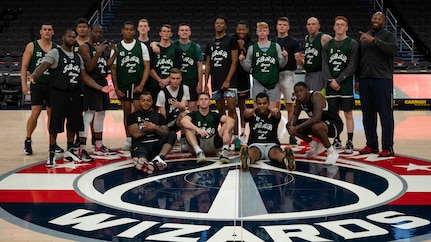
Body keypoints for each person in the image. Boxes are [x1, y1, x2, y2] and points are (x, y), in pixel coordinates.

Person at [27, 29, 111, 167]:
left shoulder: (78, 57)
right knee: (55, 125)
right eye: (69, 36)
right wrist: (34, 76)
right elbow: (43, 66)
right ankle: (52, 153)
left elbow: (84, 77)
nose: (72, 39)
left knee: (73, 124)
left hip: (75, 94)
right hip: (59, 94)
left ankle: (70, 150)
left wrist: (100, 88)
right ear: (63, 37)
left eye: (73, 37)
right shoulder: (56, 52)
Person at [356, 11, 397, 157]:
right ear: (371, 19)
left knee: (385, 115)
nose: (376, 20)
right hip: (365, 80)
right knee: (367, 115)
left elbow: (392, 49)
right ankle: (371, 144)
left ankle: (388, 147)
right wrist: (358, 79)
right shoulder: (364, 36)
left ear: (383, 22)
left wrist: (374, 40)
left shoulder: (388, 35)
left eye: (379, 18)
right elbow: (359, 60)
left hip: (382, 80)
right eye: (374, 17)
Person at [21, 23, 64, 155]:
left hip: (52, 85)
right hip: (38, 84)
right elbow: (24, 66)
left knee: (52, 115)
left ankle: (53, 142)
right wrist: (24, 84)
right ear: (40, 31)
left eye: (49, 30)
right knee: (35, 113)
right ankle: (28, 139)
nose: (47, 32)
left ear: (53, 32)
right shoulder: (32, 46)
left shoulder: (57, 48)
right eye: (44, 29)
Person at [77, 23, 118, 159]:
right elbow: (88, 68)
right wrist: (98, 52)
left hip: (102, 81)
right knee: (88, 116)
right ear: (90, 31)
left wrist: (114, 53)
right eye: (96, 32)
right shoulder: (84, 47)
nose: (99, 35)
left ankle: (98, 146)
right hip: (91, 84)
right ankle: (82, 148)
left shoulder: (99, 46)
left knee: (101, 115)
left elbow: (105, 66)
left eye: (100, 32)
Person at [111, 21, 150, 151]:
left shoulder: (141, 47)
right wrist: (116, 88)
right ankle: (128, 138)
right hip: (123, 85)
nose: (128, 31)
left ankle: (141, 138)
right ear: (122, 31)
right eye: (126, 29)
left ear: (134, 31)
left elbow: (147, 67)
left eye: (131, 29)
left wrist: (142, 84)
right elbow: (114, 69)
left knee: (140, 112)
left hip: (138, 83)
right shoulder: (116, 47)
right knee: (127, 113)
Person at [322, 16, 358, 154]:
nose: (339, 27)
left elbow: (352, 65)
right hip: (331, 85)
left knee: (348, 113)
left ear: (346, 27)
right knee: (334, 114)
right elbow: (324, 65)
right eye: (337, 24)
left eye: (342, 25)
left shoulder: (352, 44)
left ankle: (349, 141)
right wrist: (331, 80)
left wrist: (339, 80)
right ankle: (336, 139)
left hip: (346, 85)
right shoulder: (327, 45)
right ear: (334, 27)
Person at [287, 82, 343, 165]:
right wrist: (291, 126)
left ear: (307, 90)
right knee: (289, 125)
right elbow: (295, 115)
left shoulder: (316, 96)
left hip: (334, 124)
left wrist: (296, 128)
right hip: (318, 124)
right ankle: (315, 146)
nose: (298, 94)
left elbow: (316, 118)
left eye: (301, 91)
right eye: (296, 92)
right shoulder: (299, 100)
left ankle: (331, 151)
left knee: (316, 126)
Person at [204, 16, 239, 147]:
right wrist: (205, 84)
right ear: (214, 26)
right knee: (220, 110)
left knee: (231, 108)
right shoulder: (210, 43)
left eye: (221, 23)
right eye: (216, 23)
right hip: (216, 82)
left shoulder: (231, 40)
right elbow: (207, 65)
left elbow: (235, 61)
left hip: (230, 81)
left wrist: (228, 80)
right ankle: (225, 136)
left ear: (225, 26)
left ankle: (235, 137)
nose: (218, 25)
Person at [239, 92, 295, 171]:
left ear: (268, 103)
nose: (262, 106)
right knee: (253, 153)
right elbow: (245, 115)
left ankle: (287, 160)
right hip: (256, 144)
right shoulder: (252, 114)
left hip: (271, 144)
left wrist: (276, 111)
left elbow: (278, 115)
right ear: (256, 104)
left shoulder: (272, 114)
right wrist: (249, 112)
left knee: (276, 153)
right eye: (259, 103)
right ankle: (246, 160)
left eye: (264, 103)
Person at [239, 21, 288, 109]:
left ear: (268, 32)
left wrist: (285, 57)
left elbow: (281, 65)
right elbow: (248, 68)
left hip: (273, 82)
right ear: (257, 32)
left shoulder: (276, 46)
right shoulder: (252, 48)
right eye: (260, 31)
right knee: (257, 109)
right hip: (258, 81)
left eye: (264, 31)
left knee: (272, 109)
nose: (262, 32)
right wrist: (242, 61)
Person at [127, 92, 177, 174]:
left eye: (148, 100)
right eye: (143, 100)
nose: (146, 102)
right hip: (141, 144)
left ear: (152, 102)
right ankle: (145, 163)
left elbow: (165, 133)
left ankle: (159, 158)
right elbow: (136, 134)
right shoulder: (132, 116)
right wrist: (150, 128)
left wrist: (154, 127)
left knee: (172, 134)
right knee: (141, 152)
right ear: (139, 101)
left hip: (156, 145)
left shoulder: (159, 116)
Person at [272, 16, 303, 145]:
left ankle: (291, 133)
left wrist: (299, 59)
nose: (282, 27)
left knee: (290, 105)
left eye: (284, 25)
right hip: (274, 75)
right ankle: (273, 134)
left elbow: (300, 62)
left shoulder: (294, 42)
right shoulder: (272, 42)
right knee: (274, 106)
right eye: (280, 24)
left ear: (288, 27)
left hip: (289, 74)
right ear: (277, 26)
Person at [180, 92, 235, 164]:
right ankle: (199, 152)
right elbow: (183, 121)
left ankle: (224, 151)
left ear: (209, 102)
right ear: (198, 102)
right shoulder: (193, 114)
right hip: (197, 143)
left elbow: (232, 120)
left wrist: (226, 131)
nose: (203, 101)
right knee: (188, 127)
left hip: (212, 144)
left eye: (206, 99)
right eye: (201, 99)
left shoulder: (214, 114)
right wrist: (198, 129)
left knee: (228, 124)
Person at [232, 20, 254, 144]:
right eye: (239, 29)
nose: (241, 32)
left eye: (243, 30)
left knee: (242, 107)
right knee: (230, 107)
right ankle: (233, 133)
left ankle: (243, 131)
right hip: (231, 77)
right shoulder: (230, 40)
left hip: (243, 78)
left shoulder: (251, 43)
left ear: (247, 30)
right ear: (236, 29)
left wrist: (242, 48)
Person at [148, 24, 182, 103]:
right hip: (155, 83)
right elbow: (150, 68)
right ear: (160, 33)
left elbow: (177, 68)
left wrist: (167, 80)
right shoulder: (153, 49)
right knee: (153, 109)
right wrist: (160, 80)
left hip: (170, 84)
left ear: (171, 34)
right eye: (164, 31)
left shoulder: (176, 50)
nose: (166, 33)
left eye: (168, 31)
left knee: (170, 108)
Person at [156, 68, 189, 148]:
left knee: (186, 115)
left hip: (178, 120)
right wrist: (164, 130)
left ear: (181, 79)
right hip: (167, 122)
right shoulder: (162, 93)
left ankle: (183, 139)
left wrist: (181, 106)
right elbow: (163, 115)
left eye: (177, 78)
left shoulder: (185, 88)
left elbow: (183, 108)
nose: (175, 81)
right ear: (169, 79)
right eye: (173, 78)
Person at [173, 23, 203, 112]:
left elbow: (200, 66)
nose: (184, 32)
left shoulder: (196, 47)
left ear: (190, 32)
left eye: (186, 30)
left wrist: (200, 83)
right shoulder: (173, 45)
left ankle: (190, 125)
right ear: (178, 32)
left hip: (192, 81)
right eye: (182, 30)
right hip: (177, 82)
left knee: (192, 109)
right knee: (176, 108)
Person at [302, 17, 332, 93]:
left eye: (313, 24)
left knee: (317, 97)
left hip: (319, 73)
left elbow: (333, 51)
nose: (311, 26)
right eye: (309, 24)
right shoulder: (307, 38)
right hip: (308, 72)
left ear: (318, 26)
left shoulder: (324, 37)